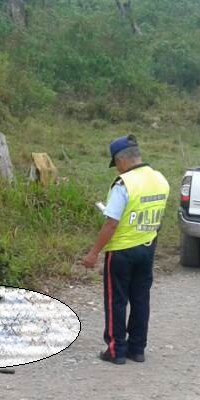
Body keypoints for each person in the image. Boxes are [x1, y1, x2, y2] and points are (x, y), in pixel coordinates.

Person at [81, 135, 170, 364]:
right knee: (141, 298)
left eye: (116, 165)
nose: (117, 170)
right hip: (147, 247)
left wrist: (93, 253)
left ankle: (115, 350)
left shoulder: (124, 184)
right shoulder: (160, 179)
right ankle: (137, 348)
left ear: (121, 160)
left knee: (116, 300)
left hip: (121, 251)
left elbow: (111, 222)